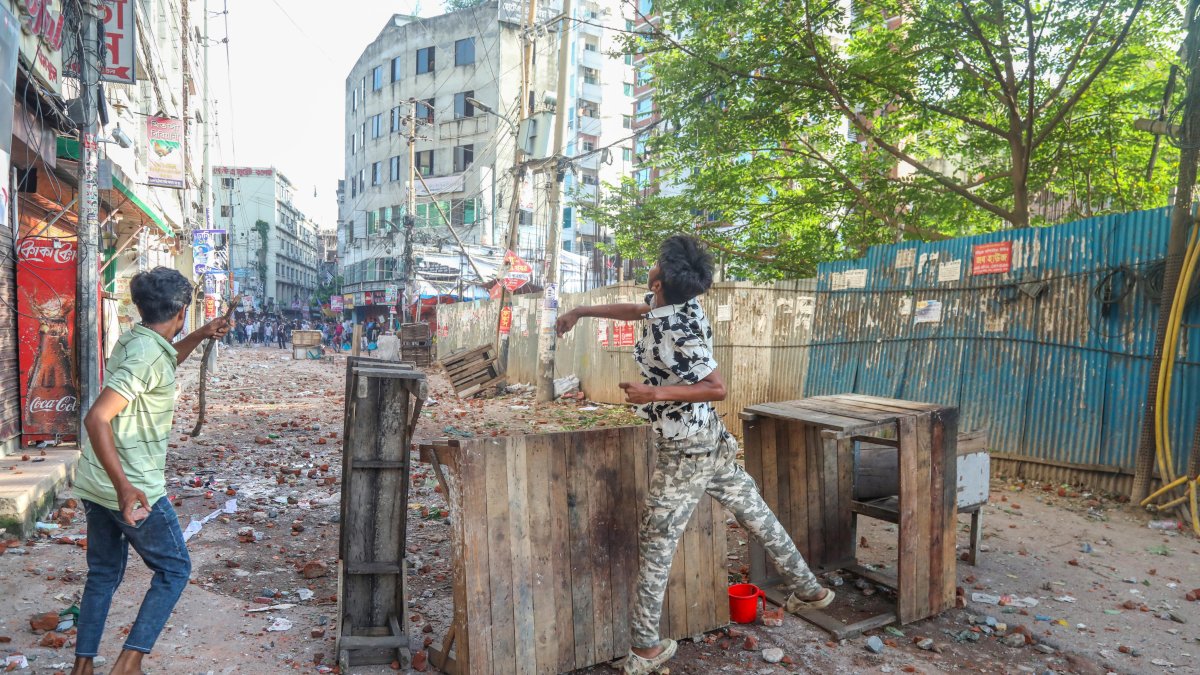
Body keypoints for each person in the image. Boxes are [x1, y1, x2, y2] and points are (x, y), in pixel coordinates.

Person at [556, 235, 833, 675]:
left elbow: (717, 387)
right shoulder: (671, 303)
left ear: (661, 278)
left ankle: (645, 646)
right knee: (754, 511)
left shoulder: (678, 329)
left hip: (686, 446)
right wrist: (580, 311)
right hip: (709, 436)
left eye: (655, 264)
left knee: (657, 537)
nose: (651, 267)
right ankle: (810, 589)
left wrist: (653, 391)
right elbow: (637, 310)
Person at [71, 267, 232, 675]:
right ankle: (129, 662)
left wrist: (200, 334)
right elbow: (97, 419)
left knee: (104, 574)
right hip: (132, 487)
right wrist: (125, 489)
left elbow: (162, 363)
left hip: (96, 481)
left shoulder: (140, 341)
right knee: (175, 569)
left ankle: (83, 666)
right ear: (179, 311)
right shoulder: (145, 354)